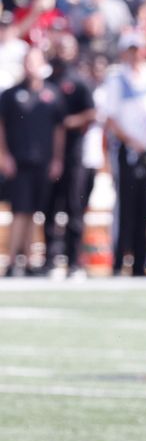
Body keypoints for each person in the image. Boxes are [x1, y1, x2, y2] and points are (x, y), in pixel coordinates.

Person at [104, 29, 146, 277]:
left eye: (138, 49)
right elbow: (110, 118)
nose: (136, 55)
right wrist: (132, 141)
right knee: (125, 206)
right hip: (128, 151)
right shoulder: (117, 79)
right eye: (131, 50)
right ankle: (119, 259)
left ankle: (143, 260)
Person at [0, 46, 65, 277]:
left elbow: (59, 128)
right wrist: (3, 155)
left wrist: (57, 158)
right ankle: (11, 261)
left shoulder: (52, 93)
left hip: (43, 160)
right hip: (19, 161)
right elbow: (2, 125)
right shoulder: (10, 94)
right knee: (20, 211)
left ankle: (27, 260)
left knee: (34, 212)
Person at [43, 33, 96, 277]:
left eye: (66, 47)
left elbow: (91, 114)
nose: (62, 52)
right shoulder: (48, 81)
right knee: (50, 207)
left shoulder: (79, 81)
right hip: (49, 154)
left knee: (74, 207)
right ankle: (50, 260)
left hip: (73, 154)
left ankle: (74, 262)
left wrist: (66, 123)